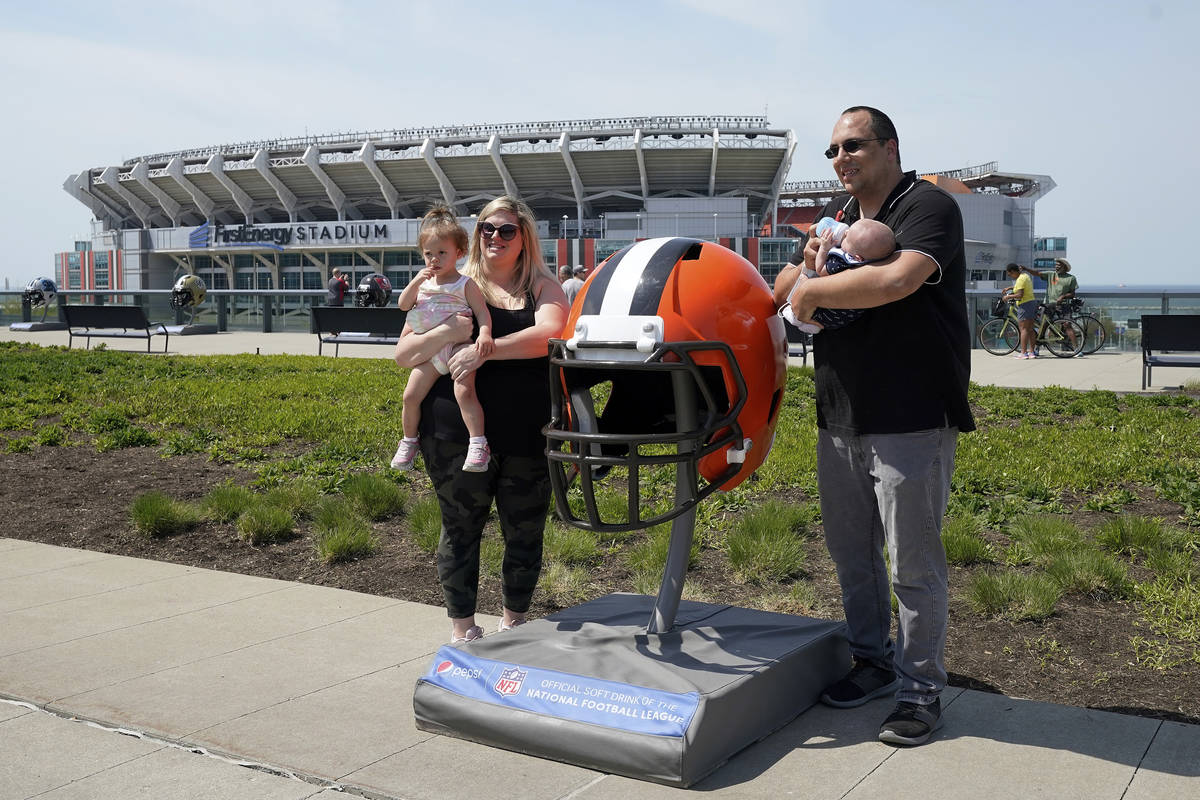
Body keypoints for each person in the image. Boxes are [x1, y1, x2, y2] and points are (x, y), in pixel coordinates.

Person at [772, 106, 976, 746]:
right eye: (832, 150)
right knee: (852, 555)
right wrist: (808, 274)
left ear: (890, 146)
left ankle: (920, 693)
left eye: (854, 145)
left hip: (911, 415)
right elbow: (785, 289)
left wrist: (813, 292)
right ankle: (871, 662)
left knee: (913, 565)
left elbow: (896, 282)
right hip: (840, 414)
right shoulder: (839, 222)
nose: (841, 159)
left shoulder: (927, 208)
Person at [392, 196, 568, 643]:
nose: (495, 237)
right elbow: (404, 354)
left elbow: (549, 335)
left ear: (524, 238)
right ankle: (463, 629)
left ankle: (514, 623)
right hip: (453, 434)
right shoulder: (448, 282)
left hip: (528, 435)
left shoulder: (544, 288)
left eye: (507, 230)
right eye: (487, 228)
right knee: (460, 529)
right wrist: (447, 334)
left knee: (524, 531)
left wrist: (483, 349)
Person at [390, 207, 494, 473]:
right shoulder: (423, 284)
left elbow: (482, 313)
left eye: (441, 253)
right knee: (410, 395)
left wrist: (484, 333)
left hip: (458, 347)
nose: (434, 259)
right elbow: (403, 305)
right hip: (431, 350)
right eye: (428, 254)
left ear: (459, 254)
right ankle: (409, 441)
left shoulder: (465, 284)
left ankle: (478, 443)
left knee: (464, 390)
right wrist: (415, 281)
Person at [782, 218, 896, 333]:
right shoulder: (870, 261)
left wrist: (824, 248)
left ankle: (797, 318)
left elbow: (820, 269)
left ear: (857, 257)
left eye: (847, 239)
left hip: (829, 314)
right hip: (848, 314)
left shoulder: (840, 262)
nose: (845, 233)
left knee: (804, 280)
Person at [1002, 262, 1038, 359]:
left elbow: (1020, 294)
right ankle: (1032, 352)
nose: (1010, 276)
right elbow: (1020, 288)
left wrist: (1008, 296)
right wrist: (1010, 288)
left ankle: (1023, 353)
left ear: (1013, 271)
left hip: (1025, 304)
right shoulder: (1025, 276)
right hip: (1032, 303)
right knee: (1030, 329)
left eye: (1010, 274)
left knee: (1024, 329)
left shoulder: (1020, 279)